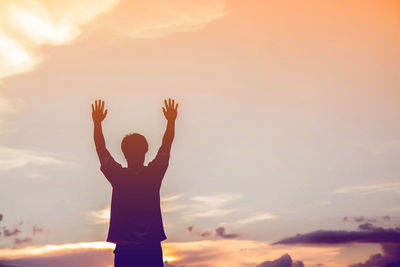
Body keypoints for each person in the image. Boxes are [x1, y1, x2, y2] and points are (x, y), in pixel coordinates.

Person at [91, 98, 178, 267]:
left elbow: (101, 149)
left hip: (127, 251)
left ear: (124, 152)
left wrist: (97, 124)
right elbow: (166, 145)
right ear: (145, 150)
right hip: (149, 249)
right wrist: (171, 122)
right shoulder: (153, 174)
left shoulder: (119, 177)